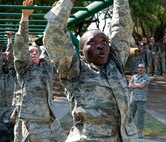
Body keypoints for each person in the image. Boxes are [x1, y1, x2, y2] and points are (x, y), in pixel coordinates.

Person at [43, 0, 138, 141]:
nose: (100, 46)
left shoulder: (115, 65)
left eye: (104, 41)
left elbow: (122, 27)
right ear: (81, 53)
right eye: (92, 42)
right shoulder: (74, 71)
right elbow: (54, 32)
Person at [13, 0, 66, 141]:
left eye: (36, 51)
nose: (34, 53)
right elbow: (20, 48)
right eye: (30, 52)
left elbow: (49, 42)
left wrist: (56, 15)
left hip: (50, 117)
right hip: (33, 119)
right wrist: (24, 19)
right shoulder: (24, 68)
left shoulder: (45, 66)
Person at [0, 40, 16, 137]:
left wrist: (9, 42)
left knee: (12, 121)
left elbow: (11, 59)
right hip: (0, 105)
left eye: (6, 65)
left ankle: (12, 133)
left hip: (11, 104)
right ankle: (5, 131)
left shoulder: (12, 74)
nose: (5, 66)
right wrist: (0, 49)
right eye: (3, 65)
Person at [128, 63, 150, 137]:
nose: (140, 69)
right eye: (139, 67)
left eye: (142, 67)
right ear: (137, 68)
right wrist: (137, 84)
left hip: (141, 100)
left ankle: (140, 132)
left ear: (144, 69)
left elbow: (142, 86)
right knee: (130, 115)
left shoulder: (146, 77)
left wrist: (134, 84)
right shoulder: (134, 76)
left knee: (140, 116)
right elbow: (129, 85)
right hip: (133, 99)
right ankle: (128, 130)